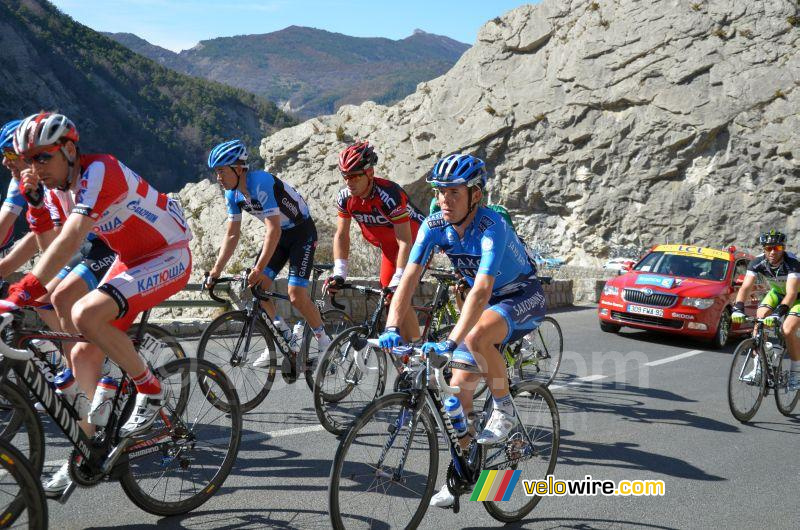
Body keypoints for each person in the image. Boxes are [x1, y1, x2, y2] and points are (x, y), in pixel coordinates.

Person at [1, 112, 192, 495]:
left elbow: (73, 238)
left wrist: (21, 291)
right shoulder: (55, 188)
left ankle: (149, 389)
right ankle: (86, 452)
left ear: (70, 151)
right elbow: (54, 246)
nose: (35, 168)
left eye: (43, 157)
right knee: (82, 352)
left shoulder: (100, 170)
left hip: (168, 253)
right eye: (30, 160)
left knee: (85, 313)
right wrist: (37, 207)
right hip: (129, 259)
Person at [377, 153, 545, 508]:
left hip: (521, 296)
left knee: (475, 337)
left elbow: (482, 290)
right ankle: (466, 475)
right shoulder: (435, 225)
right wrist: (392, 326)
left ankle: (504, 408)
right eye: (440, 192)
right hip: (486, 305)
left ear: (475, 195)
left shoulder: (491, 226)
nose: (445, 200)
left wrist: (451, 341)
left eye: (454, 192)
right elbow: (408, 279)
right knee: (457, 396)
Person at [205, 139, 330, 373]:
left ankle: (325, 343)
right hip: (280, 237)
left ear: (238, 168)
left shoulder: (260, 182)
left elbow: (273, 229)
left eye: (221, 171)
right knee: (258, 288)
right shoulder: (232, 195)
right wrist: (215, 271)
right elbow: (232, 235)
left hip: (301, 233)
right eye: (216, 172)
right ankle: (285, 337)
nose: (218, 177)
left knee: (296, 295)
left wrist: (258, 268)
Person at [330, 141, 424, 341]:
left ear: (370, 173)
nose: (349, 182)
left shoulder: (389, 195)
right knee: (389, 300)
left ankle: (417, 350)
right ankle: (404, 351)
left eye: (355, 176)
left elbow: (405, 242)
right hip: (389, 249)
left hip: (417, 245)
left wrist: (400, 277)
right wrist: (339, 272)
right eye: (345, 176)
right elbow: (341, 235)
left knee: (399, 295)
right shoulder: (345, 198)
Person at [731, 230, 800, 389]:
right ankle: (758, 367)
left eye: (777, 248)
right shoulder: (757, 262)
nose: (773, 252)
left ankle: (796, 373)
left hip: (797, 297)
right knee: (760, 318)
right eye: (769, 248)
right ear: (764, 249)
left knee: (787, 330)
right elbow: (745, 288)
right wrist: (738, 308)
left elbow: (791, 293)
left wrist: (777, 314)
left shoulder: (792, 263)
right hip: (777, 293)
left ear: (783, 248)